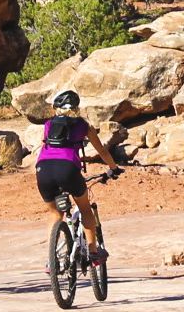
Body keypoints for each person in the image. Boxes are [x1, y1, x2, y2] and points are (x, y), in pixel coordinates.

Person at [36, 89, 122, 266]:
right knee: (84, 208)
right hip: (67, 168)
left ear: (56, 108)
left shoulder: (48, 124)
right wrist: (113, 168)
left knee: (55, 213)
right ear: (76, 108)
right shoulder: (83, 125)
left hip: (43, 169)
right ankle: (93, 253)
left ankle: (52, 260)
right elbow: (102, 151)